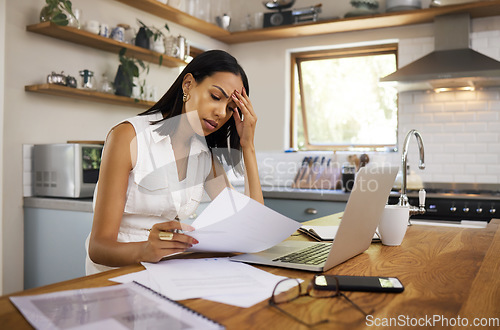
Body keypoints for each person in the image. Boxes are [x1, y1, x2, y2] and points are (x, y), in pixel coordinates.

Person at [85, 50, 263, 274]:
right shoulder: (129, 136)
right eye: (216, 97)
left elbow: (251, 227)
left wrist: (248, 146)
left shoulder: (203, 154)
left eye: (230, 108)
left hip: (167, 274)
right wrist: (146, 250)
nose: (220, 112)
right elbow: (98, 248)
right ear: (188, 84)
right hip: (116, 276)